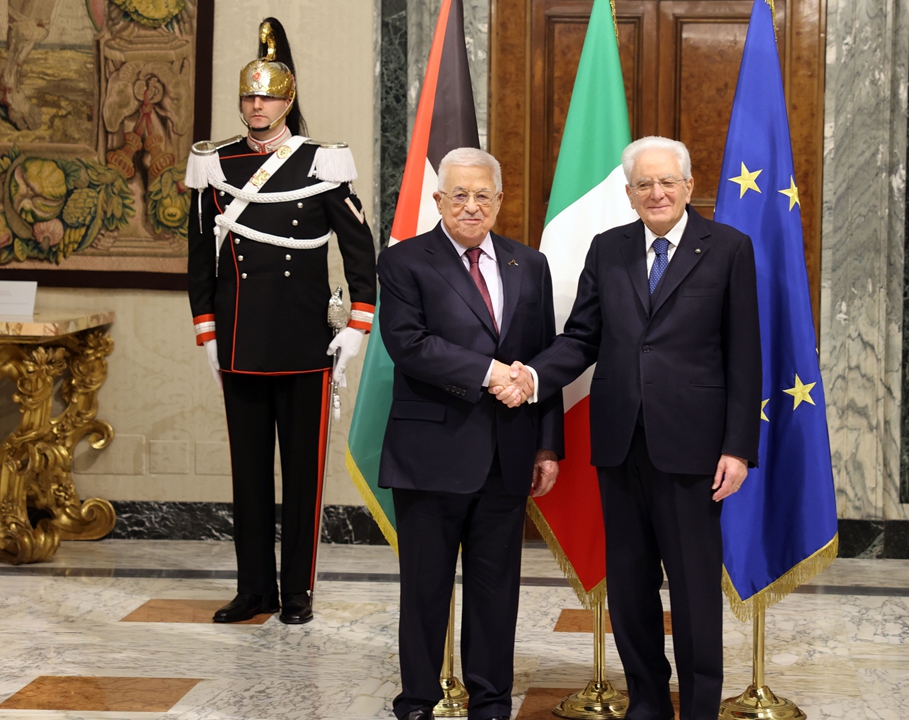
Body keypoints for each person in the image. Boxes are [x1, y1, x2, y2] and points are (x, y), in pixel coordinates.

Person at [494, 136, 761, 720]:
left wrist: (739, 448)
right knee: (631, 589)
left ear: (690, 186)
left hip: (694, 450)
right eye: (644, 184)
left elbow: (745, 355)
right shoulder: (608, 247)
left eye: (668, 182)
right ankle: (645, 700)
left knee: (693, 594)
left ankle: (698, 708)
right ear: (629, 192)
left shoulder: (728, 248)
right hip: (619, 444)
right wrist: (532, 376)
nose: (657, 193)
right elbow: (584, 337)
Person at [186, 18, 376, 625]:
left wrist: (356, 326)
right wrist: (207, 331)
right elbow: (199, 258)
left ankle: (297, 591)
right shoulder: (215, 166)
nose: (257, 106)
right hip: (240, 338)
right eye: (249, 96)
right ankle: (253, 590)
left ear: (288, 102)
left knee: (301, 476)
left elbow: (359, 250)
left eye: (268, 96)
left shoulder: (323, 161)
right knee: (248, 474)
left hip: (303, 340)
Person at [375, 147, 564, 720]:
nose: (471, 205)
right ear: (438, 200)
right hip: (431, 455)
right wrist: (489, 374)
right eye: (459, 194)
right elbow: (409, 345)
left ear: (500, 201)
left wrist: (547, 443)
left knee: (495, 595)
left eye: (483, 194)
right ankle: (417, 702)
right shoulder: (405, 261)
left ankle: (491, 704)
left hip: (507, 455)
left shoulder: (527, 264)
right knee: (426, 592)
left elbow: (542, 356)